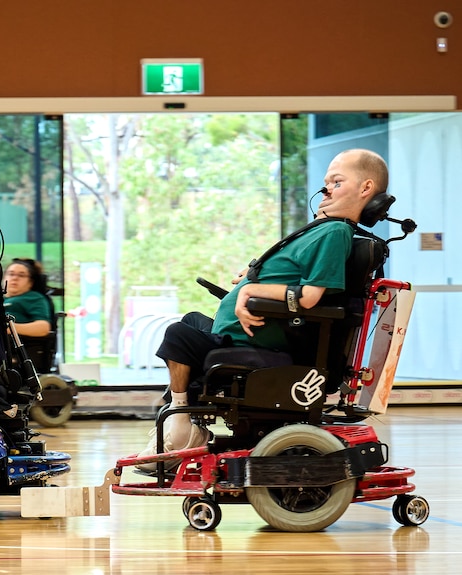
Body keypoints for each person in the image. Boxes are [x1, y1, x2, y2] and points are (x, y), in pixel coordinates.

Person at [136, 148, 389, 469]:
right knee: (192, 322)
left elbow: (311, 296)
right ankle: (183, 421)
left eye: (337, 182)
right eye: (326, 182)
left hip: (261, 346)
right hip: (248, 337)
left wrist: (253, 290)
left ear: (366, 189)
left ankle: (181, 427)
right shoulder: (324, 229)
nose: (326, 189)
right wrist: (254, 277)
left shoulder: (336, 232)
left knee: (178, 336)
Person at [3, 258, 52, 338]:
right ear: (4, 277)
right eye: (11, 274)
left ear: (30, 282)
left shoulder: (34, 298)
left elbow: (43, 327)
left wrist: (8, 328)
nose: (15, 278)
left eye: (21, 275)